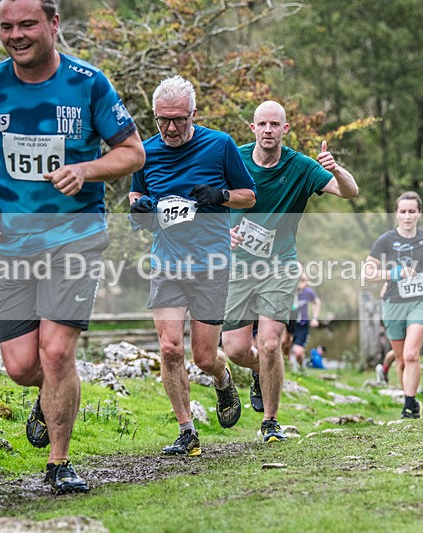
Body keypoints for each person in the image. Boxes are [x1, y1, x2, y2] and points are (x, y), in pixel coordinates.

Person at [0, 0, 145, 493]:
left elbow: (132, 152)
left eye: (27, 24)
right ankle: (49, 396)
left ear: (53, 24)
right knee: (21, 367)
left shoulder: (88, 83)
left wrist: (86, 169)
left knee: (56, 353)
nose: (16, 35)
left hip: (75, 236)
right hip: (11, 243)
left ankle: (60, 463)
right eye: (6, 26)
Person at [129, 75, 256, 456]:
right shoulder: (145, 151)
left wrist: (221, 195)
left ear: (193, 114)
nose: (170, 128)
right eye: (162, 120)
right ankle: (187, 430)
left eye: (178, 120)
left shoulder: (220, 145)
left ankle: (222, 378)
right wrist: (140, 208)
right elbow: (137, 194)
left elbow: (249, 195)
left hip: (210, 264)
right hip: (166, 263)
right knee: (170, 348)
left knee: (203, 357)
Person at [221, 100, 358, 442]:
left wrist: (337, 169)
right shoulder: (233, 158)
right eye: (262, 124)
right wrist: (223, 231)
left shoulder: (301, 166)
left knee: (270, 344)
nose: (268, 130)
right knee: (236, 350)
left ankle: (270, 422)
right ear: (253, 128)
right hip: (238, 266)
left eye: (275, 124)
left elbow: (349, 192)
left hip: (280, 266)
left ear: (285, 129)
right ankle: (259, 371)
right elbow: (208, 200)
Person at [365, 192, 423, 418]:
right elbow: (367, 272)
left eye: (412, 211)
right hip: (394, 304)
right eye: (403, 212)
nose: (407, 216)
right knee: (400, 359)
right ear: (396, 214)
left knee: (411, 354)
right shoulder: (386, 240)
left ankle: (408, 406)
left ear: (419, 214)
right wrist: (393, 274)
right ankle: (411, 401)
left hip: (420, 302)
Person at [289, 273, 321, 373]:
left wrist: (315, 318)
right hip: (289, 323)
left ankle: (301, 367)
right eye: (299, 281)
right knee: (285, 344)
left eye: (303, 281)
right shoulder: (289, 291)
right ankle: (287, 368)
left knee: (298, 352)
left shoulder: (308, 292)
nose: (301, 284)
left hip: (302, 324)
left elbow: (317, 302)